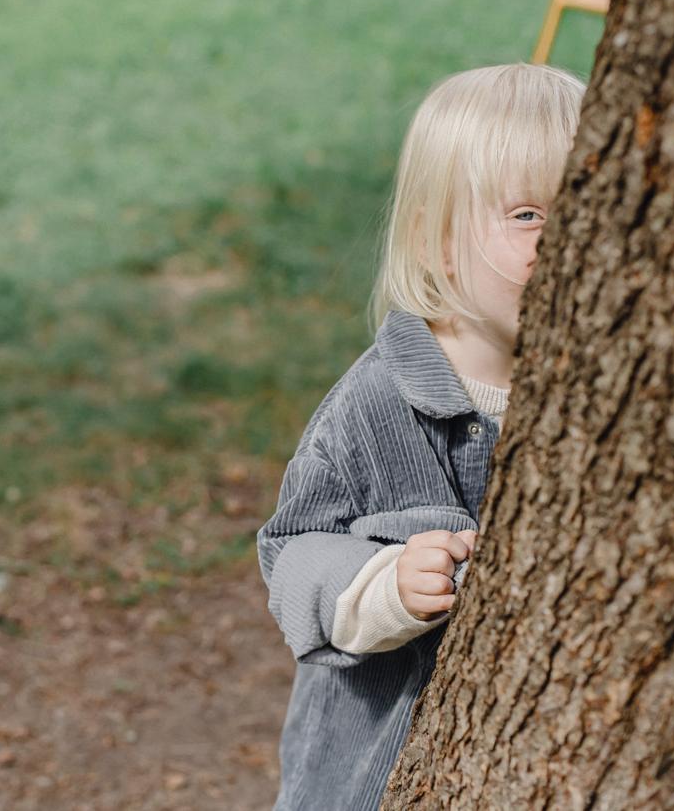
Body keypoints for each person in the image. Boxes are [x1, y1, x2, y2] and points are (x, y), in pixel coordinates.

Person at [256, 62, 587, 810]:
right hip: (381, 774)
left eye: (586, 209)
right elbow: (292, 550)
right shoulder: (377, 402)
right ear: (437, 240)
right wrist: (384, 586)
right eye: (528, 215)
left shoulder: (601, 389)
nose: (562, 239)